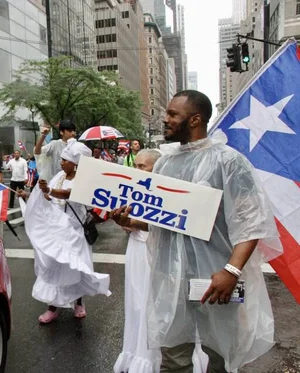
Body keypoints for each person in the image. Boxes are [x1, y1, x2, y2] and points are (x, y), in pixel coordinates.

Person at [110, 90, 281, 373]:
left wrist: (231, 271)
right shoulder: (165, 163)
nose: (165, 120)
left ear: (195, 120)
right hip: (172, 277)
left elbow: (253, 222)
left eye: (173, 114)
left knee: (220, 356)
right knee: (173, 358)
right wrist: (131, 222)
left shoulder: (229, 161)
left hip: (217, 277)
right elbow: (164, 219)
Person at [114, 149, 208, 373]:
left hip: (157, 253)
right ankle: (137, 355)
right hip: (135, 251)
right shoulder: (131, 189)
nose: (136, 171)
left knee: (154, 304)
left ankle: (158, 361)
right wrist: (123, 222)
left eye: (141, 167)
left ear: (157, 169)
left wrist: (135, 224)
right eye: (134, 166)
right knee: (136, 304)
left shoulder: (167, 192)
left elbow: (166, 225)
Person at [17, 138, 111, 323]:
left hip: (75, 232)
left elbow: (69, 194)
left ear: (76, 164)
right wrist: (30, 194)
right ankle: (53, 307)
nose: (61, 163)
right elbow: (48, 195)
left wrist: (50, 190)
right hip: (57, 231)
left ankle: (78, 303)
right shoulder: (58, 177)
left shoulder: (84, 181)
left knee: (76, 268)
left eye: (65, 160)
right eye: (61, 159)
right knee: (55, 268)